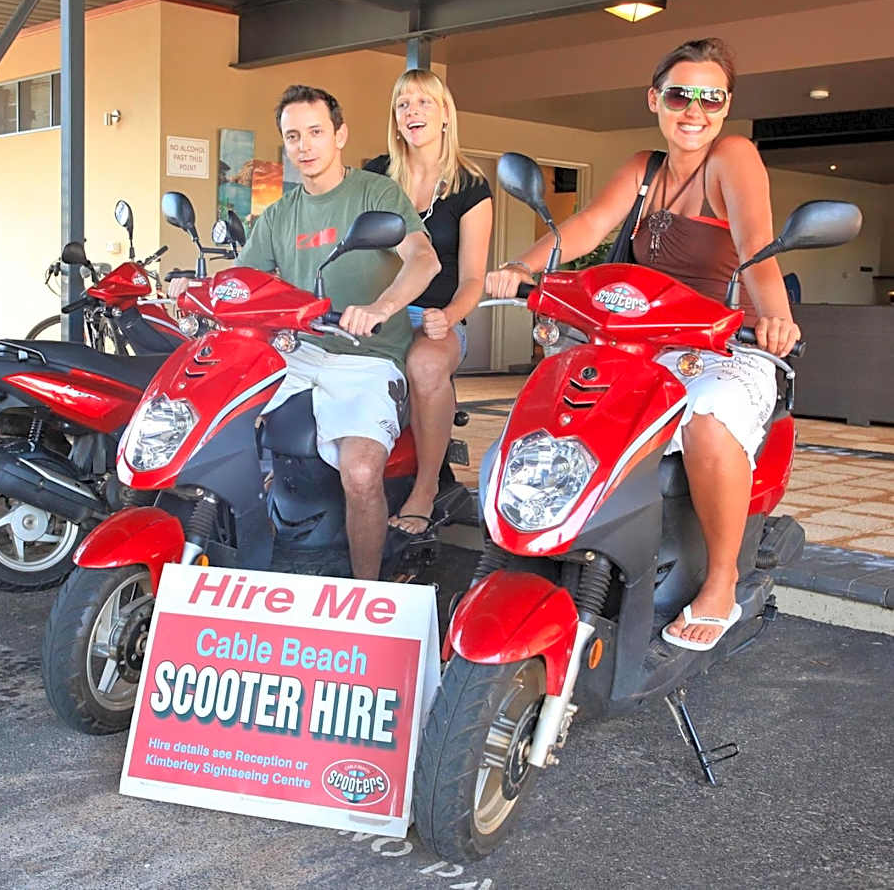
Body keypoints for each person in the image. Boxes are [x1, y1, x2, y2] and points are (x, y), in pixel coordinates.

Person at [485, 38, 801, 651]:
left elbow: (757, 247)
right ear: (655, 98)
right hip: (638, 343)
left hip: (723, 345)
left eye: (713, 98)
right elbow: (585, 228)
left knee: (708, 418)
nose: (695, 110)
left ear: (727, 106)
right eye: (681, 93)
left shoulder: (732, 157)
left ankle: (720, 580)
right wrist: (522, 267)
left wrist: (777, 320)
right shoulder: (643, 168)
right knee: (564, 411)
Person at [174, 85, 439, 580]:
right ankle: (244, 571)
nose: (304, 146)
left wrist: (380, 307)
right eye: (293, 136)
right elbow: (244, 284)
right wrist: (199, 290)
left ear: (339, 135)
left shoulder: (374, 193)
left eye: (316, 132)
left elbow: (424, 258)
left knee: (361, 473)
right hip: (295, 352)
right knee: (211, 430)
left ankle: (366, 593)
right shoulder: (278, 214)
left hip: (367, 354)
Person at [364, 69, 493, 535]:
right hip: (381, 312)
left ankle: (425, 489)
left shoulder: (470, 187)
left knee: (424, 364)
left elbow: (475, 276)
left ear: (444, 115)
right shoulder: (377, 175)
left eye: (423, 102)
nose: (412, 111)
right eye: (402, 104)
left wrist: (450, 316)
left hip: (436, 317)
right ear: (395, 119)